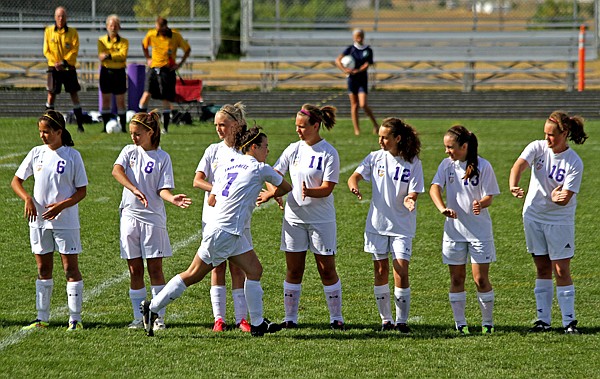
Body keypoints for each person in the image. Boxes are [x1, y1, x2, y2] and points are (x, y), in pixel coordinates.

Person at [141, 126, 292, 337]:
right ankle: (153, 307)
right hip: (225, 231)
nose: (268, 151)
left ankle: (257, 323)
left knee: (255, 270)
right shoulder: (260, 168)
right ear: (254, 147)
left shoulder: (228, 165)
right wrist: (269, 193)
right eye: (265, 147)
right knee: (193, 274)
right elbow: (287, 188)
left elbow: (214, 196)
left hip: (225, 228)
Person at [264, 104, 345, 330]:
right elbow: (272, 173)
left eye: (302, 126)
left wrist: (309, 192)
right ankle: (290, 319)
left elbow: (328, 188)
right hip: (294, 219)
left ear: (316, 126)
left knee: (326, 269)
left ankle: (336, 318)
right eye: (296, 126)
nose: (298, 131)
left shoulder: (329, 152)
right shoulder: (293, 149)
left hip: (321, 220)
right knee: (293, 269)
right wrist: (274, 191)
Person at [509, 111, 588, 335]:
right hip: (533, 216)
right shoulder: (537, 147)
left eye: (552, 135)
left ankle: (569, 322)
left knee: (561, 270)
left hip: (559, 221)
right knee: (542, 268)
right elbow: (519, 166)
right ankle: (543, 320)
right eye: (545, 134)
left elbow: (565, 199)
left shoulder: (574, 162)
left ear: (565, 133)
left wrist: (556, 197)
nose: (547, 139)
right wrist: (513, 184)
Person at [112, 111, 192, 331]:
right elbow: (116, 171)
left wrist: (173, 199)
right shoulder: (129, 152)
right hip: (129, 215)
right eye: (131, 133)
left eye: (138, 134)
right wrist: (134, 189)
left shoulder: (162, 158)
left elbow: (163, 189)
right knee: (134, 269)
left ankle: (157, 317)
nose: (133, 138)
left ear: (151, 132)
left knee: (155, 269)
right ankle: (139, 318)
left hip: (153, 219)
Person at [11, 110, 87, 331]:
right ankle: (42, 317)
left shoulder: (73, 156)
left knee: (70, 269)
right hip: (39, 222)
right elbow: (16, 181)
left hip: (66, 221)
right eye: (40, 132)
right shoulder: (36, 153)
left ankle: (75, 319)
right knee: (43, 269)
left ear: (59, 131)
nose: (42, 136)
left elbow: (82, 191)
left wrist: (61, 206)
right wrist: (27, 198)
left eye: (46, 132)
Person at [347, 118, 424, 334]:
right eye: (379, 137)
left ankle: (402, 321)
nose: (380, 141)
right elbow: (354, 176)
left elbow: (415, 190)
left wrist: (411, 199)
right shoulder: (374, 158)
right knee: (380, 271)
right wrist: (354, 186)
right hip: (377, 225)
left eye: (385, 137)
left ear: (397, 138)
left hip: (402, 226)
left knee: (401, 270)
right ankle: (386, 320)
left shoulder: (413, 162)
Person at [429, 125, 499, 335]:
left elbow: (489, 196)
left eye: (450, 147)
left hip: (479, 232)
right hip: (454, 232)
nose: (447, 151)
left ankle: (487, 323)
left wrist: (481, 203)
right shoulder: (446, 165)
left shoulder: (483, 165)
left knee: (480, 279)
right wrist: (442, 208)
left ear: (464, 146)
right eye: (446, 147)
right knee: (457, 279)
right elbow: (434, 188)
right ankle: (461, 324)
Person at [193, 103, 252, 332]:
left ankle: (241, 318)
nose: (219, 129)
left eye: (223, 125)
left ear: (236, 125)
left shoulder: (246, 150)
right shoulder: (213, 150)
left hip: (238, 219)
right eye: (216, 125)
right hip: (214, 218)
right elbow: (197, 180)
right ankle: (219, 319)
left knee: (238, 267)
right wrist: (214, 190)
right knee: (216, 266)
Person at [138, 17, 191, 133]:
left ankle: (165, 128)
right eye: (157, 29)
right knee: (146, 95)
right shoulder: (152, 34)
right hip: (153, 69)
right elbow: (144, 45)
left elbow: (187, 49)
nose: (159, 32)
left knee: (166, 99)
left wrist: (179, 64)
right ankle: (140, 124)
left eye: (161, 30)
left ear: (165, 27)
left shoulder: (175, 36)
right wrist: (148, 58)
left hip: (167, 71)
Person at [43, 6, 86, 133]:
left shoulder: (73, 32)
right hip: (53, 68)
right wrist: (55, 62)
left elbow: (74, 49)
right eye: (58, 16)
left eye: (63, 16)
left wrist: (64, 62)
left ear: (66, 18)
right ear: (55, 18)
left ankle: (80, 125)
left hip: (68, 68)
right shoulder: (49, 31)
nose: (60, 18)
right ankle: (47, 124)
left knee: (74, 94)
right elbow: (46, 50)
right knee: (51, 95)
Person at [335, 29, 378, 136]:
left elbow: (367, 64)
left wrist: (358, 71)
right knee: (354, 105)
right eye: (357, 36)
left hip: (362, 80)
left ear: (363, 37)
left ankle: (376, 124)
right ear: (354, 37)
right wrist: (345, 70)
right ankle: (357, 130)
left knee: (363, 104)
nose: (359, 38)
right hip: (351, 80)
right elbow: (338, 60)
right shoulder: (350, 50)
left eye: (361, 36)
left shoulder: (368, 50)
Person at [98, 14, 129, 133]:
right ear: (107, 26)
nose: (113, 28)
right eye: (111, 25)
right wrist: (113, 56)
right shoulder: (101, 41)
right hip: (106, 72)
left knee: (120, 101)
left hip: (119, 73)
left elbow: (123, 56)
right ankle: (105, 126)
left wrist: (109, 55)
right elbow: (101, 56)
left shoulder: (124, 41)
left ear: (119, 27)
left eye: (115, 25)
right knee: (106, 100)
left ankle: (123, 127)